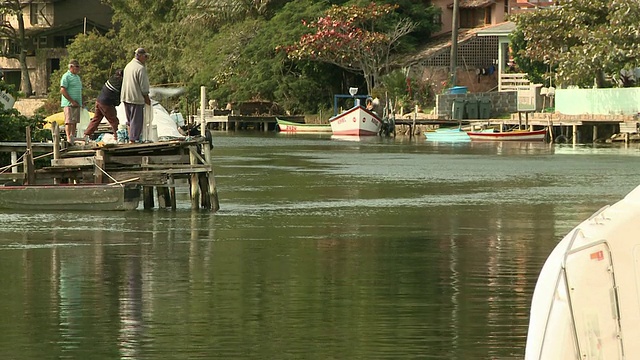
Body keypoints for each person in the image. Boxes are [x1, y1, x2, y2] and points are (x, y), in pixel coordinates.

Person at [83, 69, 123, 143]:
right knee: (114, 121)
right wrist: (117, 103)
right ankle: (117, 137)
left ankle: (86, 135)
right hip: (106, 103)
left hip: (99, 101)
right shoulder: (119, 83)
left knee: (96, 119)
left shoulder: (112, 78)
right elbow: (117, 96)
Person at [121, 47, 151, 143]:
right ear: (140, 56)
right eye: (145, 57)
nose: (146, 59)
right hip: (135, 97)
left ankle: (131, 138)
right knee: (136, 121)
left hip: (126, 96)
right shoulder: (140, 68)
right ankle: (133, 141)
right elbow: (144, 86)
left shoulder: (128, 66)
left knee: (130, 120)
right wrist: (147, 98)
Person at [60, 59, 82, 143]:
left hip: (77, 103)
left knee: (75, 121)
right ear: (71, 67)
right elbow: (62, 90)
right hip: (68, 103)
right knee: (69, 121)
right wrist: (71, 101)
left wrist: (80, 102)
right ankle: (68, 137)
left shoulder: (77, 77)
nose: (78, 69)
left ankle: (73, 136)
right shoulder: (66, 76)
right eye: (76, 67)